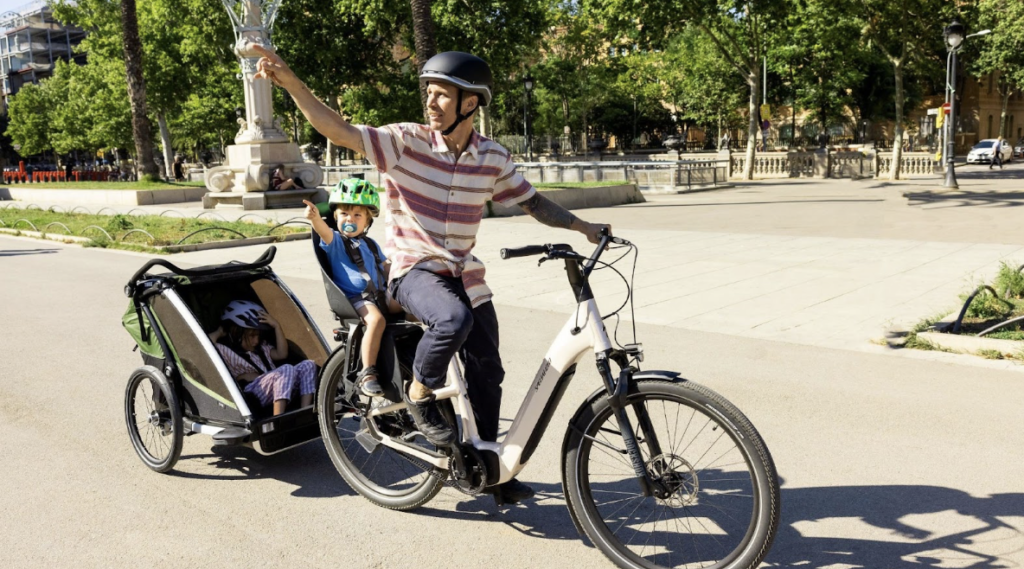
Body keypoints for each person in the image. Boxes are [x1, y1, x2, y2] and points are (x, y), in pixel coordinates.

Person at [253, 44, 609, 502]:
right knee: (451, 320)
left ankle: (489, 466)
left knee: (488, 370)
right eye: (429, 93)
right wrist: (292, 83)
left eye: (442, 94)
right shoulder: (405, 142)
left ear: (471, 103)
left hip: (466, 274)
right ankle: (421, 392)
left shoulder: (492, 158)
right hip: (413, 269)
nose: (430, 102)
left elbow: (534, 202)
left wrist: (583, 227)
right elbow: (338, 130)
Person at [303, 178, 401, 397]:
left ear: (367, 221)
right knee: (376, 320)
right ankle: (368, 373)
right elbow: (323, 231)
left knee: (413, 306)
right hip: (357, 298)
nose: (350, 219)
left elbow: (386, 267)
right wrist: (315, 219)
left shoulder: (370, 244)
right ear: (336, 217)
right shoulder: (336, 241)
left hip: (380, 294)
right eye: (345, 214)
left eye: (357, 215)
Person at [209, 300, 316, 416]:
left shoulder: (262, 348)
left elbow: (281, 354)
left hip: (276, 385)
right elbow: (204, 346)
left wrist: (276, 326)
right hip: (253, 392)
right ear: (236, 332)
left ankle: (306, 411)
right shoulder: (226, 350)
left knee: (308, 364)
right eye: (252, 336)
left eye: (258, 335)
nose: (256, 340)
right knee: (286, 369)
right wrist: (220, 332)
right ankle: (278, 418)